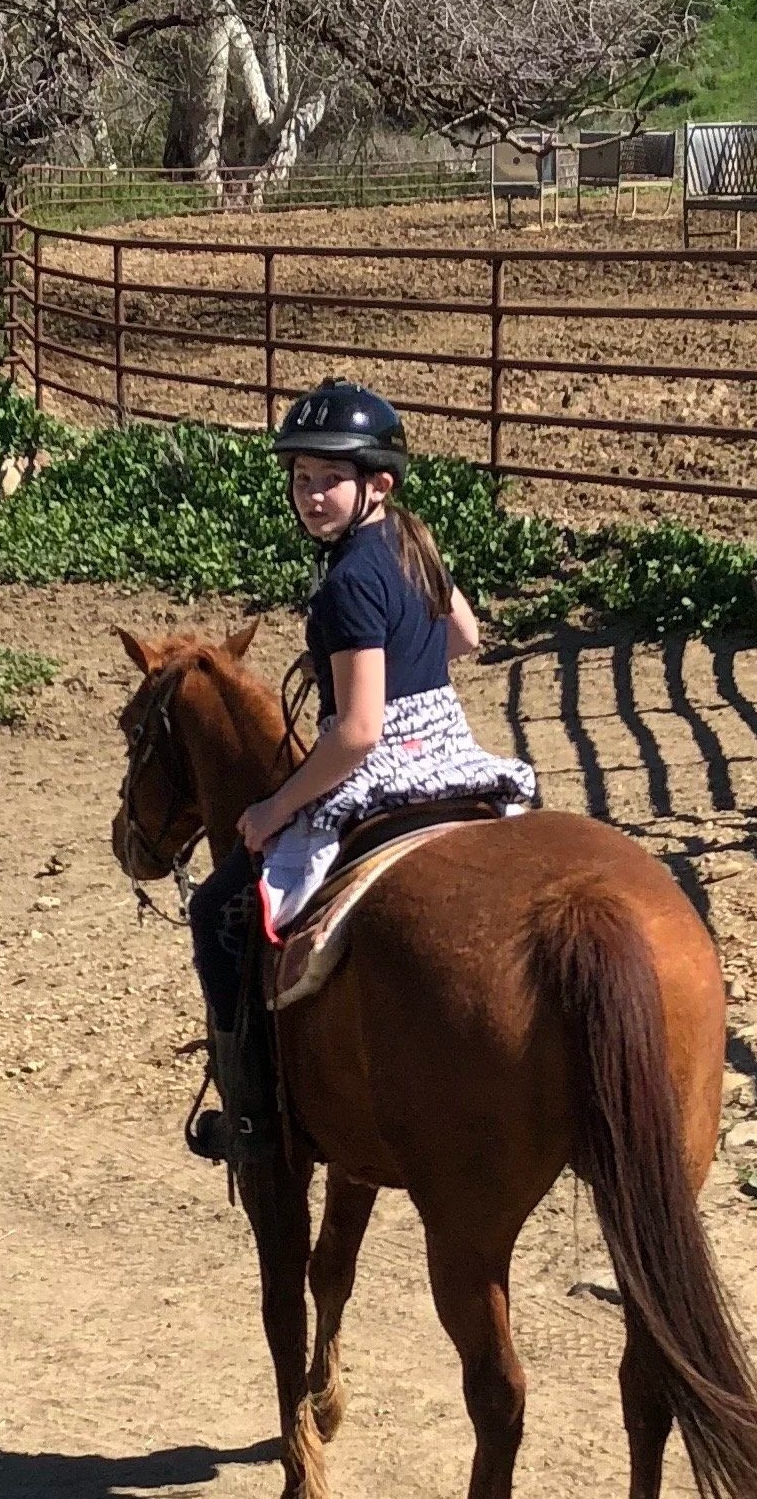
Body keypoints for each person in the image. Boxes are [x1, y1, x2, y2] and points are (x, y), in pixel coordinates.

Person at [186, 377, 538, 1166]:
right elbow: (466, 638)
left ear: (376, 481)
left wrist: (273, 806)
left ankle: (249, 1114)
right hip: (453, 750)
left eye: (328, 480)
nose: (309, 497)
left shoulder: (345, 582)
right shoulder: (414, 540)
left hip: (381, 767)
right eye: (299, 479)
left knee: (216, 910)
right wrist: (402, 662)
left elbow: (356, 733)